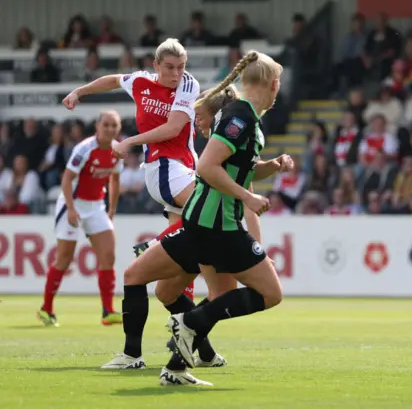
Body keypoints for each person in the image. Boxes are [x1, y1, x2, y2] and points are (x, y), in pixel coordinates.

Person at [115, 50, 288, 386]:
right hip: (217, 225)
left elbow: (236, 170)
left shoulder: (240, 116)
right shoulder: (240, 118)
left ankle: (175, 368)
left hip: (203, 223)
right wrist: (248, 198)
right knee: (270, 293)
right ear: (273, 84)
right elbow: (207, 168)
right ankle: (190, 323)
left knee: (193, 293)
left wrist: (272, 167)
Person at [61, 39, 210, 367]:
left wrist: (129, 141)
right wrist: (79, 92)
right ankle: (199, 350)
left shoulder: (188, 84)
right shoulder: (141, 81)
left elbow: (173, 127)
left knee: (178, 273)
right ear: (156, 66)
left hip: (178, 172)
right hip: (160, 177)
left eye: (180, 67)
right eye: (169, 67)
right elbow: (114, 79)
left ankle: (186, 351)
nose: (175, 74)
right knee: (186, 259)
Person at [37, 111, 123, 327]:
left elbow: (114, 179)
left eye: (114, 125)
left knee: (108, 256)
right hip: (72, 204)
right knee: (64, 258)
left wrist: (112, 208)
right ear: (98, 126)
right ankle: (46, 309)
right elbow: (66, 179)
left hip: (96, 206)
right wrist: (72, 209)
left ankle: (107, 311)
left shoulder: (118, 149)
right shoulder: (85, 148)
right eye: (106, 125)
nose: (110, 129)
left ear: (119, 128)